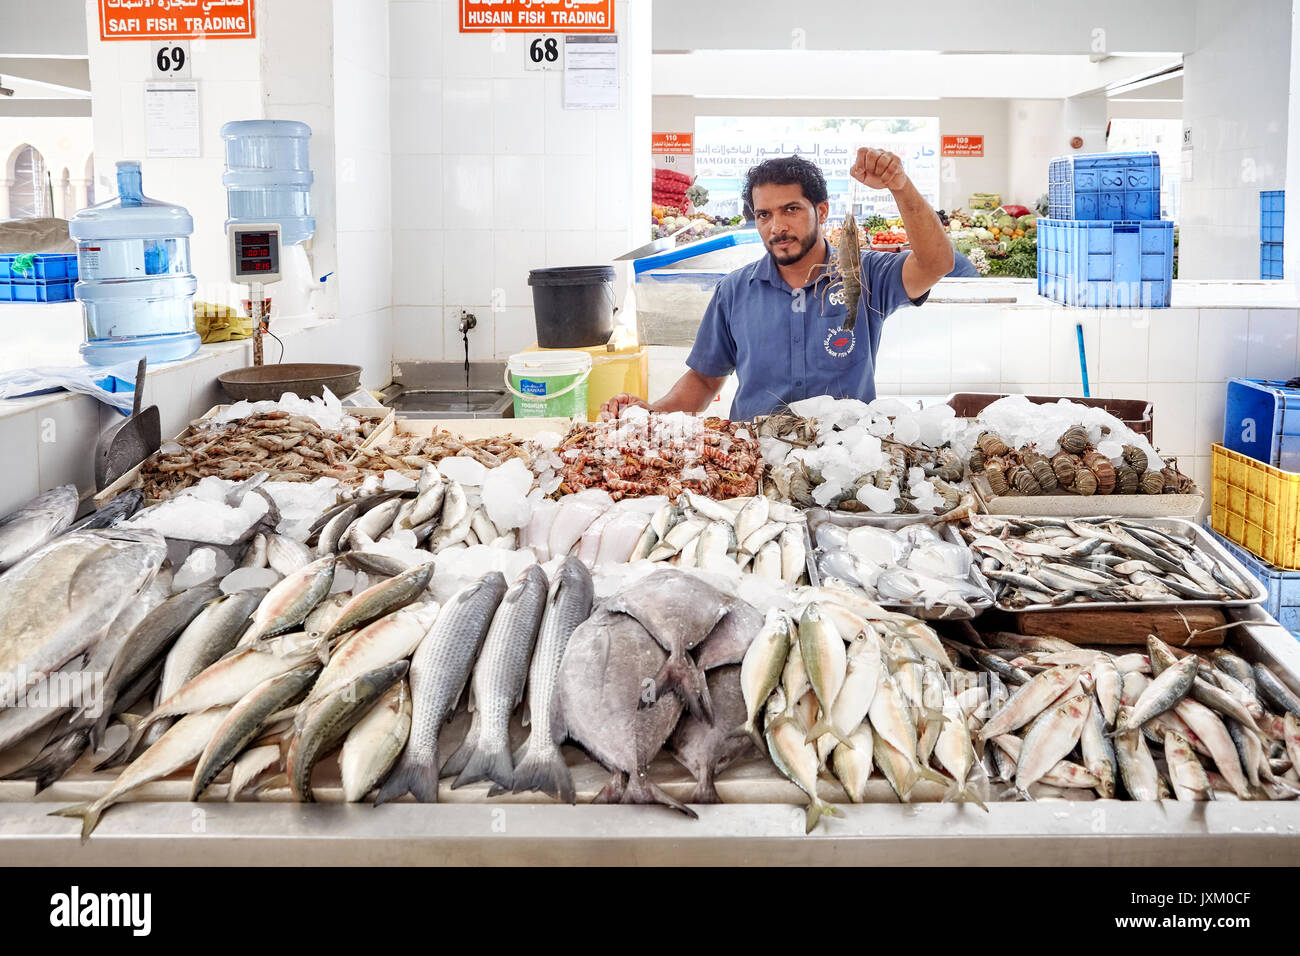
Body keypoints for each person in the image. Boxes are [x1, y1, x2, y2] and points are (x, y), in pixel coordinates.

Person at [601, 150, 952, 421]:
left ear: (822, 210)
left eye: (791, 209)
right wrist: (651, 413)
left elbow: (937, 263)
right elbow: (704, 381)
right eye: (764, 215)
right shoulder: (735, 290)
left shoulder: (866, 274)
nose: (776, 226)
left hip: (845, 463)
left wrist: (899, 186)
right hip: (752, 462)